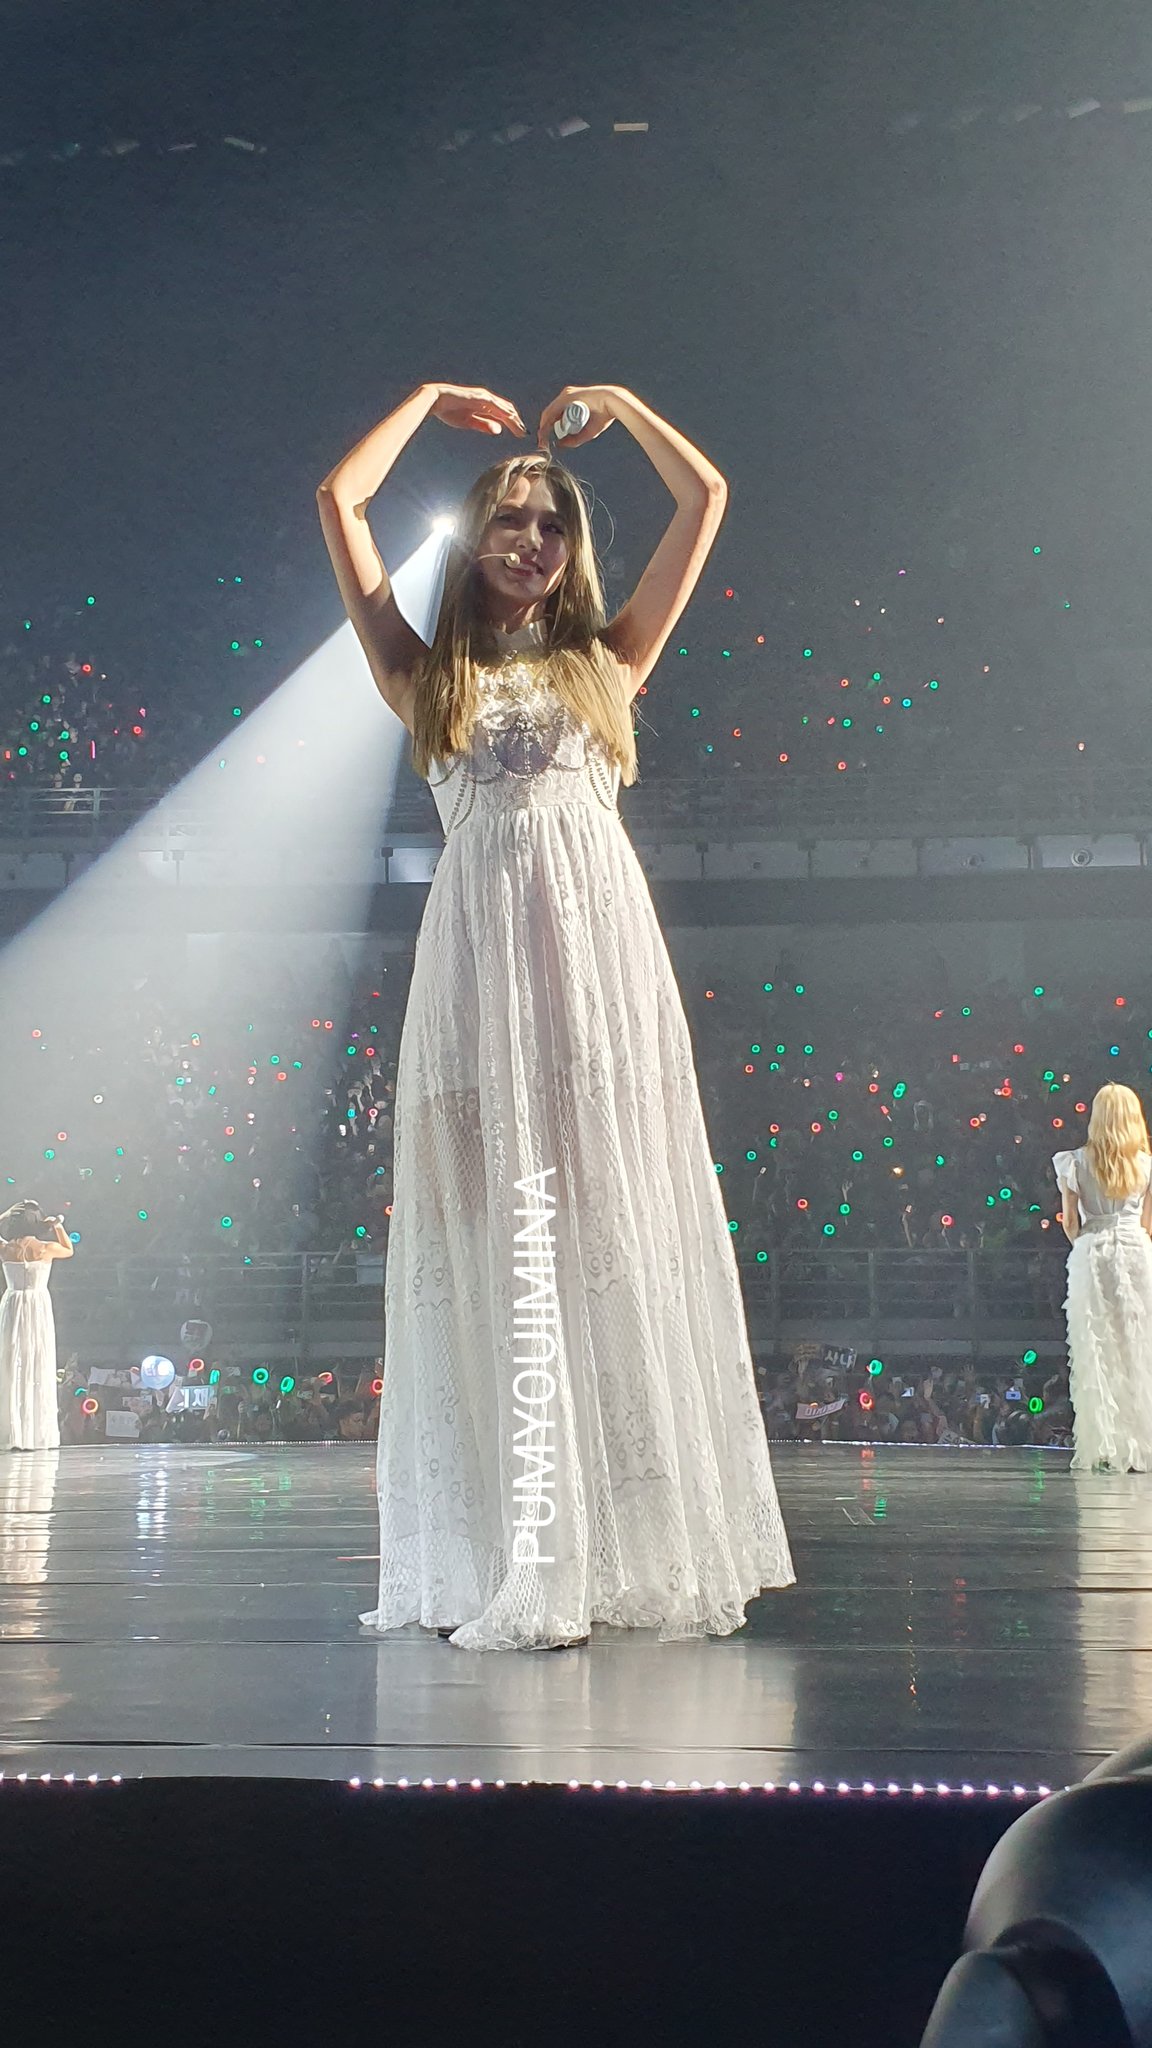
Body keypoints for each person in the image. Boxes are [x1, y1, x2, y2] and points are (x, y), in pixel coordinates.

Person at [318, 380, 794, 1650]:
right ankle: (521, 1551)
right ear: (475, 535)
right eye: (511, 519)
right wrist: (426, 400)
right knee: (504, 1263)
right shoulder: (422, 674)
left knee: (600, 1248)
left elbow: (706, 496)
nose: (532, 540)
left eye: (553, 524)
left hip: (597, 987)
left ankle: (608, 1551)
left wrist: (625, 407)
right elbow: (341, 501)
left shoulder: (608, 661)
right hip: (477, 990)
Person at [1054, 1083, 1152, 1473]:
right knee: (1137, 1347)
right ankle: (1142, 1441)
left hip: (1092, 1254)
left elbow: (1070, 1222)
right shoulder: (1145, 1164)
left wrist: (1088, 1243)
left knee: (1097, 1348)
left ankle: (1107, 1445)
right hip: (1135, 1252)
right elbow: (1147, 1224)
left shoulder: (1075, 1163)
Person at [0, 1199, 74, 1451]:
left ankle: (12, 1430)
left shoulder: (5, 1248)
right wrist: (56, 1225)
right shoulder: (45, 1249)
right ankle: (34, 1433)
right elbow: (69, 1249)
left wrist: (7, 1214)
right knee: (36, 1360)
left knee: (11, 1363)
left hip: (13, 1304)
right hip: (36, 1305)